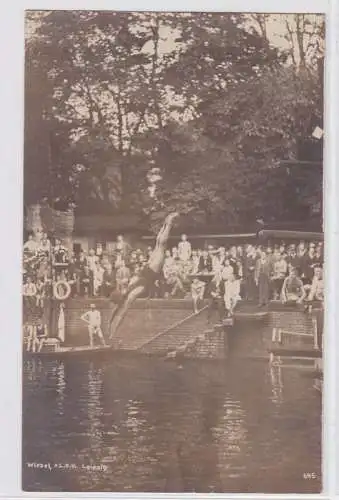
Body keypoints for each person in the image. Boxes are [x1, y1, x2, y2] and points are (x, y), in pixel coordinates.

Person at [109, 212, 179, 340]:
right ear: (121, 294)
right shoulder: (131, 295)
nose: (122, 286)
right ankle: (168, 222)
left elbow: (118, 312)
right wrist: (113, 331)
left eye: (120, 288)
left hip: (148, 268)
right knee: (161, 245)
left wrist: (111, 324)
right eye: (120, 289)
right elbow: (122, 313)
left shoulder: (128, 289)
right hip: (152, 271)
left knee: (159, 243)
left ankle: (166, 222)